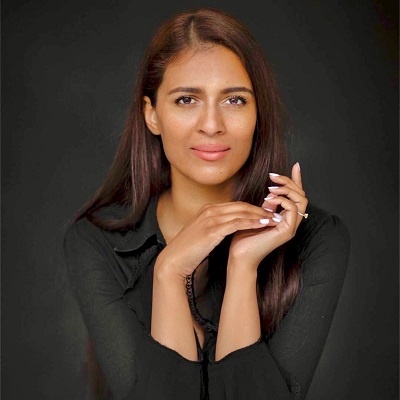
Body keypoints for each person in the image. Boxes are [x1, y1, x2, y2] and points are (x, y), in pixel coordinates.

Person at [63, 7, 350, 400]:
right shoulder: (95, 243)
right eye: (186, 100)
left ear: (258, 113)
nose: (212, 125)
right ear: (152, 115)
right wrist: (169, 273)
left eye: (234, 100)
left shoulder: (317, 239)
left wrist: (242, 267)